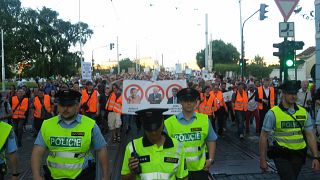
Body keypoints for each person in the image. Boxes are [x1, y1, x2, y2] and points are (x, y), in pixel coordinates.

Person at [31, 89, 109, 180]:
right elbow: (37, 152)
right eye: (62, 105)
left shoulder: (90, 125)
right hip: (53, 176)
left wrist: (105, 176)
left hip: (83, 175)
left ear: (77, 105)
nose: (65, 109)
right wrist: (36, 175)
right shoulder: (47, 125)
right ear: (58, 106)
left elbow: (102, 150)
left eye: (69, 105)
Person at [259, 80, 320, 180]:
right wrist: (262, 159)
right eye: (290, 94)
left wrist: (316, 157)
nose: (293, 96)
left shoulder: (304, 112)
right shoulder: (272, 113)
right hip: (281, 154)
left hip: (299, 154)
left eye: (295, 93)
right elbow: (263, 136)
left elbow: (310, 135)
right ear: (283, 94)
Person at [164, 88, 217, 180]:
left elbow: (211, 140)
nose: (189, 103)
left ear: (196, 102)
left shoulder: (204, 120)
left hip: (199, 169)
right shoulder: (169, 123)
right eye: (185, 101)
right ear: (180, 102)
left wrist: (211, 159)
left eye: (192, 100)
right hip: (177, 169)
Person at [121, 108, 188, 180]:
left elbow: (183, 177)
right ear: (143, 126)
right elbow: (124, 178)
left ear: (163, 122)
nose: (153, 132)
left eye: (156, 128)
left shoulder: (178, 146)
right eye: (149, 129)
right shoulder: (132, 147)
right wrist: (132, 172)